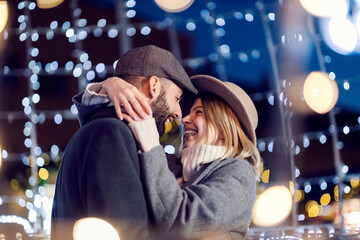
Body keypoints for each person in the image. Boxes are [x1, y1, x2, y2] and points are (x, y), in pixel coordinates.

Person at [81, 75, 262, 239]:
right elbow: (101, 134)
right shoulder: (173, 168)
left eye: (198, 112)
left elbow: (183, 220)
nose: (184, 119)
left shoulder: (238, 172)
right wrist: (109, 86)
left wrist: (151, 143)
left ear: (224, 128)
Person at [50, 45, 198, 240]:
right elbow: (128, 232)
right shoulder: (111, 134)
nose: (179, 113)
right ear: (154, 86)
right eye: (176, 98)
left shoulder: (99, 130)